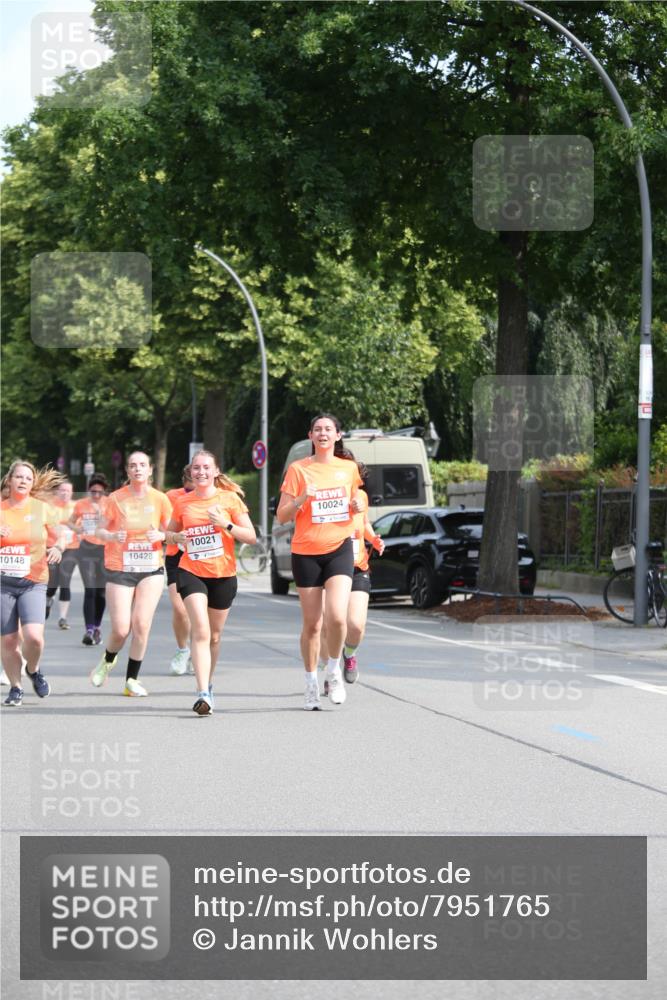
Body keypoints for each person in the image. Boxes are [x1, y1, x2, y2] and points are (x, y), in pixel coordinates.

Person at [277, 413, 362, 711]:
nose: (323, 433)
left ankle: (333, 670)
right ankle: (311, 683)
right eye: (317, 429)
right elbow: (282, 515)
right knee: (313, 625)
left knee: (337, 617)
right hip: (306, 552)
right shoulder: (298, 469)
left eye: (328, 429)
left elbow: (358, 499)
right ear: (310, 436)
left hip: (339, 548)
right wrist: (301, 499)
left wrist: (358, 503)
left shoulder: (348, 468)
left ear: (338, 435)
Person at [166, 449, 255, 716]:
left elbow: (251, 537)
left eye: (206, 468)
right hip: (191, 571)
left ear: (216, 472)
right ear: (190, 472)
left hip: (223, 575)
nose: (201, 472)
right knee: (201, 630)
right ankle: (202, 692)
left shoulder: (230, 500)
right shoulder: (183, 502)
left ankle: (209, 683)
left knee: (215, 636)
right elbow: (169, 534)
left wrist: (226, 525)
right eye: (196, 468)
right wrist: (176, 537)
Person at [90, 451, 171, 697]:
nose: (137, 469)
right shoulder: (115, 499)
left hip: (150, 568)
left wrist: (162, 535)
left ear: (150, 470)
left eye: (142, 465)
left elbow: (174, 532)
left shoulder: (160, 499)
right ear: (127, 471)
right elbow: (98, 531)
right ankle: (107, 660)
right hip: (120, 567)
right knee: (121, 629)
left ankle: (131, 680)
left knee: (142, 624)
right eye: (133, 465)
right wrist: (113, 536)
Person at [1, 460, 66, 706]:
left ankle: (34, 669)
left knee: (34, 638)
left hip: (33, 581)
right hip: (3, 583)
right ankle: (16, 688)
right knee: (7, 640)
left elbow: (61, 534)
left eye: (28, 478)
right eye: (18, 477)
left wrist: (58, 547)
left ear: (32, 483)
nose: (23, 481)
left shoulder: (41, 509)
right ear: (9, 480)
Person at [321, 462, 385, 692]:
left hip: (358, 566)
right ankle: (331, 672)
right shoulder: (324, 495)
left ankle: (350, 654)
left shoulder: (362, 497)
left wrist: (374, 539)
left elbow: (365, 523)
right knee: (328, 625)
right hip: (329, 566)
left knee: (355, 625)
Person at [69, 474, 109, 645]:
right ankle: (89, 630)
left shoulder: (109, 504)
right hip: (86, 548)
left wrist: (101, 515)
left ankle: (97, 626)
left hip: (105, 550)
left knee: (101, 592)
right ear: (89, 490)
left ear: (104, 492)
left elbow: (115, 525)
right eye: (93, 492)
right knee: (90, 590)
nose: (96, 495)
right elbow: (70, 522)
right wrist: (78, 529)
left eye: (100, 492)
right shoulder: (81, 504)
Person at [165, 465, 194, 676]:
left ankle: (198, 650)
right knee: (180, 608)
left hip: (203, 557)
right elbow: (164, 528)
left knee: (201, 611)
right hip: (176, 555)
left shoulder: (216, 496)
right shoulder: (171, 496)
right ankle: (183, 649)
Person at [45, 479, 78, 629]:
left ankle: (63, 618)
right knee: (52, 582)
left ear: (72, 493)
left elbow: (83, 528)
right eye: (62, 490)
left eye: (68, 491)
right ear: (57, 491)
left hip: (71, 548)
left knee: (65, 582)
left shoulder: (76, 507)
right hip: (52, 547)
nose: (65, 493)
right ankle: (48, 600)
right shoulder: (50, 507)